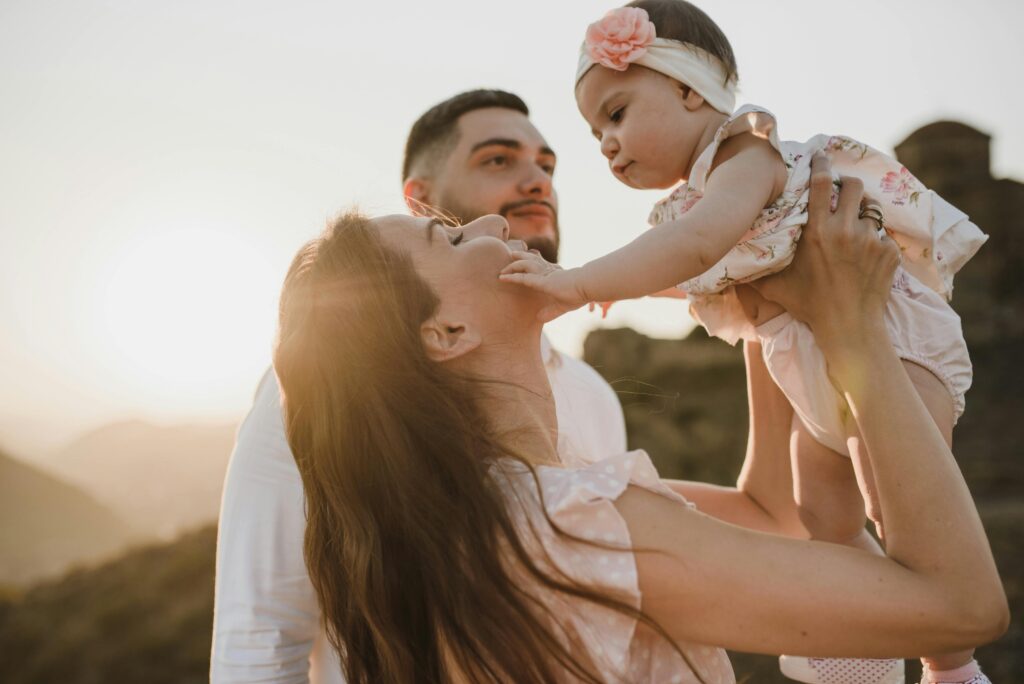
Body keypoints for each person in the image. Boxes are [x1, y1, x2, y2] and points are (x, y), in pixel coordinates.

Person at [271, 155, 1007, 684]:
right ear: (446, 334)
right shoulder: (569, 524)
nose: (490, 219)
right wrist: (853, 333)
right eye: (453, 240)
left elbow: (772, 510)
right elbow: (959, 607)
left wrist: (762, 284)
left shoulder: (508, 513)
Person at [499, 4, 990, 681]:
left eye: (615, 114)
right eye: (595, 134)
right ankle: (860, 650)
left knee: (892, 503)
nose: (606, 144)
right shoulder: (699, 200)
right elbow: (694, 265)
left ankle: (953, 667)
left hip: (894, 345)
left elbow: (695, 247)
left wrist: (578, 284)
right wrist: (621, 281)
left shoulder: (746, 154)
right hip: (817, 363)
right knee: (824, 513)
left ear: (688, 89)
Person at [210, 90, 627, 683]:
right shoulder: (321, 398)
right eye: (498, 161)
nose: (536, 180)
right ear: (420, 201)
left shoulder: (592, 394)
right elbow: (257, 641)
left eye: (547, 165)